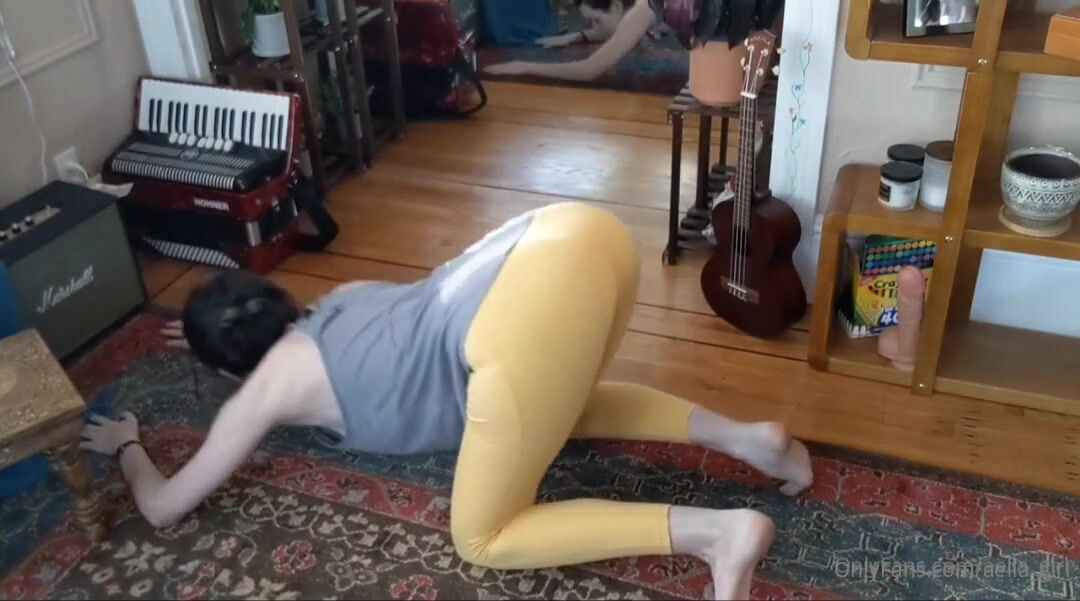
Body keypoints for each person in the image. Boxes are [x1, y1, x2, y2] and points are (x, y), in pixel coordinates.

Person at [81, 202, 812, 600]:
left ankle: (716, 535)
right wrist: (220, 335)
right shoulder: (345, 297)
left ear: (227, 365)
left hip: (519, 315)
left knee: (483, 536)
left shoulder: (264, 390)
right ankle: (751, 438)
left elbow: (165, 506)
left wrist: (129, 446)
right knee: (556, 406)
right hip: (573, 233)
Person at [484, 0, 784, 83]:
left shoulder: (643, 10)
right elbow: (612, 30)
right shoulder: (635, 11)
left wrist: (524, 66)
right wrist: (575, 36)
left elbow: (589, 69)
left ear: (616, 7)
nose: (593, 27)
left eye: (595, 20)